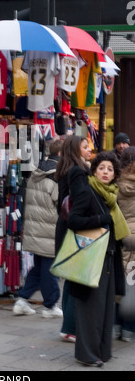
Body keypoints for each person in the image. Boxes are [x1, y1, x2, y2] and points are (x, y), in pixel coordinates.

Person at [67, 152, 128, 367]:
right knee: (90, 310)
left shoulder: (111, 195)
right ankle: (88, 355)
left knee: (105, 309)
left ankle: (102, 352)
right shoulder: (88, 191)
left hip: (109, 258)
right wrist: (101, 219)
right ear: (94, 170)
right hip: (91, 258)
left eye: (110, 169)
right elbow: (73, 220)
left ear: (114, 174)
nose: (105, 172)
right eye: (102, 168)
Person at [13, 139, 63, 318]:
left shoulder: (37, 172)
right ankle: (50, 305)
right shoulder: (56, 175)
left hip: (35, 228)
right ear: (61, 155)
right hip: (49, 230)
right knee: (50, 267)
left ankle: (22, 300)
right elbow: (61, 203)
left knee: (40, 266)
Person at [54, 135, 92, 342]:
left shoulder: (65, 170)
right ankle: (70, 328)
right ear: (75, 150)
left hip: (66, 228)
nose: (89, 150)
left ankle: (68, 327)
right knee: (76, 280)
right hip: (75, 231)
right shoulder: (78, 172)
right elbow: (79, 204)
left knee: (72, 280)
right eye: (85, 147)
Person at [115, 146, 135, 341]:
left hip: (121, 238)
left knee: (119, 285)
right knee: (133, 285)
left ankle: (115, 326)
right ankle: (129, 330)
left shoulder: (116, 184)